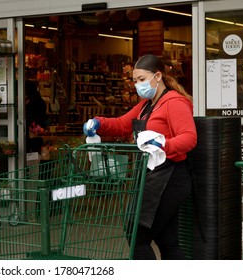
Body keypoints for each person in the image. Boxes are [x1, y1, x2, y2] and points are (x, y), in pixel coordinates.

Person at [83, 54, 197, 260]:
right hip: (152, 177)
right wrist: (98, 123)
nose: (138, 85)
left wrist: (164, 144)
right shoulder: (146, 105)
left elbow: (189, 138)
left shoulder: (175, 103)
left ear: (158, 76)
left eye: (142, 79)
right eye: (135, 81)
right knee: (168, 243)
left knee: (136, 236)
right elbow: (122, 123)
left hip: (169, 178)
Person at [25, 80, 47, 153]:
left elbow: (29, 115)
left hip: (31, 133)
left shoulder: (30, 102)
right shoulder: (40, 101)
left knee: (30, 154)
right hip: (38, 132)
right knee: (35, 156)